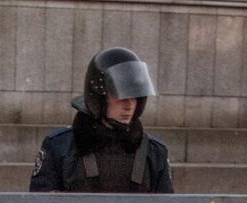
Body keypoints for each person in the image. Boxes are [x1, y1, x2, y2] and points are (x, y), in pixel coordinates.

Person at [29, 47, 175, 195]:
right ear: (99, 97)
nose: (129, 105)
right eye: (121, 95)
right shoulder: (60, 147)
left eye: (135, 96)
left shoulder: (154, 152)